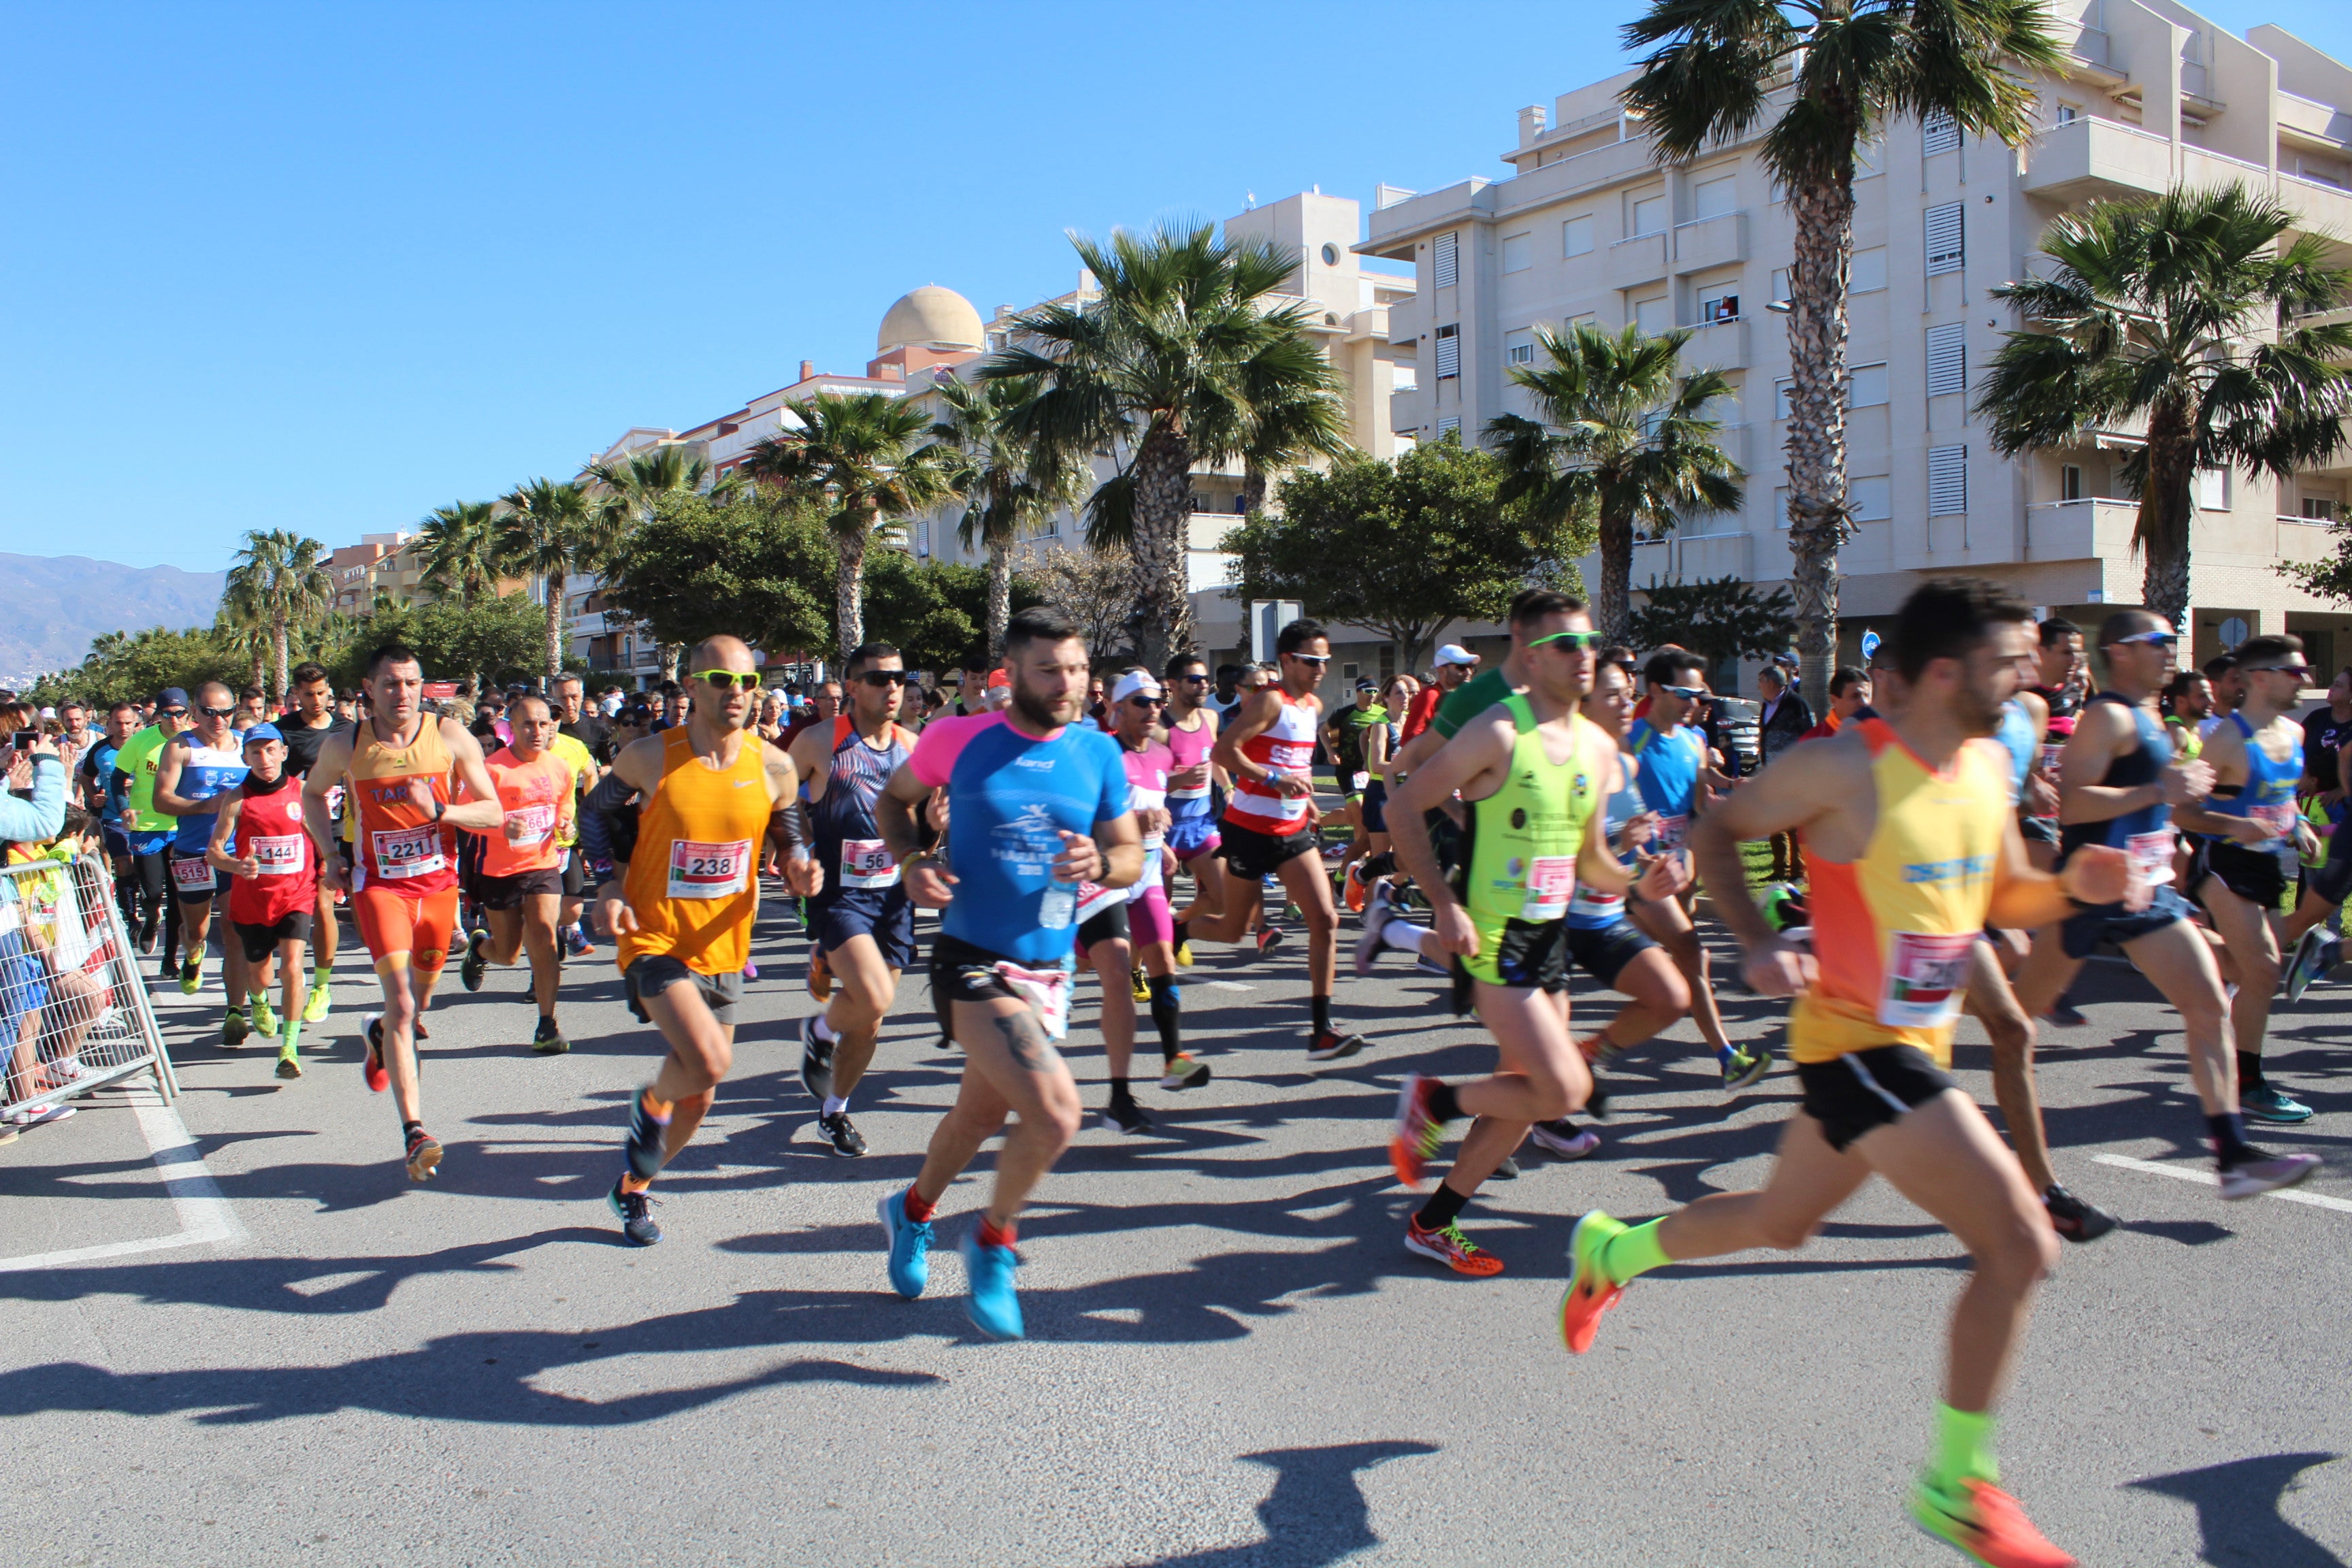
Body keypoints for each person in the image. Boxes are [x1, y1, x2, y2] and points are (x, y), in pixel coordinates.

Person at [1560, 577, 2137, 1568]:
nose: (2028, 676)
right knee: (2018, 1242)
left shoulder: (1986, 768)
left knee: (1781, 1223)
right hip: (1853, 1046)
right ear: (1948, 670)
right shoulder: (1844, 766)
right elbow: (1718, 834)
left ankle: (1614, 1249)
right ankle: (1959, 1484)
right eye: (2009, 662)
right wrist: (1749, 940)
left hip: (1916, 1043)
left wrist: (2070, 887)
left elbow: (2004, 891)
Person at [1384, 597, 1686, 1274]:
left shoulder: (1597, 749)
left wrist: (1640, 883)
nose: (1584, 658)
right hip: (1493, 936)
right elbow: (1403, 800)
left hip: (1548, 937)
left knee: (1524, 1099)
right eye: (1566, 646)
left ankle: (1433, 1223)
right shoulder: (1500, 731)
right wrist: (1440, 901)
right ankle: (1437, 1100)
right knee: (1564, 1090)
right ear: (1530, 655)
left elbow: (1589, 861)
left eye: (1590, 644)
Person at [867, 605, 1141, 1339]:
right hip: (971, 960)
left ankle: (912, 1211)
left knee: (980, 1118)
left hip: (1050, 969)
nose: (1068, 682)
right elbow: (894, 804)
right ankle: (994, 1240)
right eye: (1050, 669)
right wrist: (913, 862)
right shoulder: (958, 738)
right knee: (1055, 1114)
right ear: (1012, 672)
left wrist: (1103, 863)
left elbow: (1130, 855)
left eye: (1078, 668)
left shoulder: (1099, 754)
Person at [2010, 611, 2321, 1197]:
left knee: (2207, 1006)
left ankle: (2232, 1156)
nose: (2173, 650)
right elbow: (2075, 807)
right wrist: (2161, 791)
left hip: (2147, 894)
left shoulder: (2155, 717)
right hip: (2089, 894)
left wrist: (2186, 825)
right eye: (2160, 642)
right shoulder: (2110, 716)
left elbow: (2160, 808)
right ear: (2122, 651)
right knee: (2013, 1024)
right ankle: (1922, 1084)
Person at [582, 638, 821, 1243]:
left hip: (725, 945)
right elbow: (595, 815)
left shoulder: (773, 765)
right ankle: (649, 1105)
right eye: (720, 678)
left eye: (747, 682)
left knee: (701, 1097)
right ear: (691, 687)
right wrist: (610, 882)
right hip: (654, 936)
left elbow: (789, 833)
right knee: (709, 1060)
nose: (736, 692)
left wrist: (798, 866)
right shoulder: (650, 757)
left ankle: (632, 1189)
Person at [301, 644, 508, 1182]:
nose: (403, 693)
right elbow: (312, 796)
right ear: (369, 689)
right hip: (380, 888)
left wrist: (441, 810)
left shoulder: (449, 737)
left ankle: (379, 1036)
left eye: (412, 682)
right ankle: (415, 1130)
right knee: (399, 1003)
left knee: (416, 1007)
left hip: (439, 887)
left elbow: (491, 812)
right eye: (391, 683)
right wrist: (331, 856)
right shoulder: (346, 743)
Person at [1182, 619, 1370, 1062]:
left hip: (1291, 833)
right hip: (1248, 829)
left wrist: (1302, 797)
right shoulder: (1271, 701)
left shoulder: (1312, 706)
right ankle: (1177, 930)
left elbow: (1296, 762)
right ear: (1287, 660)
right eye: (1311, 661)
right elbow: (1224, 752)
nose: (1320, 668)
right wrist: (1272, 779)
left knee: (1326, 919)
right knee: (1232, 931)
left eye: (1324, 660)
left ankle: (1322, 1030)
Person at [2176, 634, 2319, 1124]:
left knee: (2244, 970)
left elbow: (2277, 797)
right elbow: (2184, 810)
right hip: (2224, 860)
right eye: (2296, 672)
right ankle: (2249, 1084)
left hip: (2266, 864)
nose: (2307, 680)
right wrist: (2234, 825)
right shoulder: (2228, 738)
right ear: (2262, 678)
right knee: (2263, 971)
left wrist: (2297, 824)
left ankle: (2173, 940)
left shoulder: (2294, 734)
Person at [788, 641, 921, 1158]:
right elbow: (777, 802)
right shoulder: (818, 742)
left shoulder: (914, 747)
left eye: (899, 677)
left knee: (869, 1020)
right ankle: (819, 1030)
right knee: (873, 995)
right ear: (852, 686)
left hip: (892, 895)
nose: (892, 687)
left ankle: (834, 1112)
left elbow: (921, 832)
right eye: (878, 678)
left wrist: (935, 830)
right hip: (839, 894)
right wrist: (794, 853)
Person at [1080, 669, 1201, 1131]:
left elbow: (1152, 817)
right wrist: (1138, 819)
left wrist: (1163, 844)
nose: (1153, 710)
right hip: (1103, 875)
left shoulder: (1162, 754)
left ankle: (1166, 1066)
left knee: (1161, 959)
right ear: (1119, 707)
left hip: (1146, 873)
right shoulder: (1101, 752)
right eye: (1142, 702)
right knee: (1089, 968)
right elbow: (1086, 815)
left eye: (1158, 701)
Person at [1618, 650, 1745, 1077]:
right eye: (1685, 692)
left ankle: (1589, 1045)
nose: (1695, 701)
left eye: (1698, 693)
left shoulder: (1694, 741)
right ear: (1655, 691)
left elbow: (1695, 800)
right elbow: (1604, 802)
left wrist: (1728, 791)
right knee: (1692, 953)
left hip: (1679, 867)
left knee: (1683, 964)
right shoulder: (1629, 740)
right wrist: (1635, 851)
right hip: (1637, 871)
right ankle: (1727, 1056)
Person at [455, 695, 578, 1054]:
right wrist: (501, 828)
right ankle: (480, 949)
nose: (537, 731)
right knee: (508, 953)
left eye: (543, 723)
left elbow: (565, 802)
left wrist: (566, 823)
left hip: (542, 866)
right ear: (511, 727)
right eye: (528, 724)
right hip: (499, 871)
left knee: (544, 937)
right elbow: (466, 813)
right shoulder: (492, 769)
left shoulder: (558, 766)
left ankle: (547, 1023)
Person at [205, 723, 318, 1077]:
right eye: (256, 752)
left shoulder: (304, 793)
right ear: (246, 757)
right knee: (261, 974)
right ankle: (257, 1000)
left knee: (293, 968)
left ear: (284, 753)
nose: (264, 758)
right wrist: (236, 865)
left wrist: (335, 865)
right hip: (253, 901)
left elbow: (321, 840)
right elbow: (213, 853)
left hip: (296, 895)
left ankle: (289, 1049)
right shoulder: (236, 799)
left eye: (271, 750)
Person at [152, 683, 252, 1036]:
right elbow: (161, 800)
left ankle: (234, 1010)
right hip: (193, 853)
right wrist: (207, 806)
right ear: (195, 712)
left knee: (233, 930)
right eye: (209, 712)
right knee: (197, 929)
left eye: (225, 712)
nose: (218, 719)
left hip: (234, 854)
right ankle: (192, 951)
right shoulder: (180, 747)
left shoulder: (245, 745)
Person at [275, 662, 353, 1024]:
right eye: (309, 694)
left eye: (322, 692)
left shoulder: (348, 730)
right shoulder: (284, 732)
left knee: (324, 906)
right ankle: (293, 970)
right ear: (297, 695)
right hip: (296, 829)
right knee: (294, 911)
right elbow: (277, 782)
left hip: (335, 829)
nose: (317, 700)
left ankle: (322, 986)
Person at [111, 690, 186, 962]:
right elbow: (117, 779)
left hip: (183, 827)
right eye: (168, 714)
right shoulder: (141, 741)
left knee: (179, 895)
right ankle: (152, 918)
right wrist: (124, 807)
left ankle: (170, 959)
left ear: (188, 713)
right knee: (154, 892)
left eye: (180, 713)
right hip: (147, 826)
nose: (175, 720)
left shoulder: (195, 741)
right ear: (159, 716)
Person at [1161, 653, 1226, 960]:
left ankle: (1179, 925)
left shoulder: (1210, 718)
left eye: (1205, 679)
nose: (1203, 685)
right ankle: (1141, 969)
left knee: (1222, 898)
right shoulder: (1158, 727)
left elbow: (1213, 762)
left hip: (1201, 823)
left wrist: (1228, 788)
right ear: (1173, 685)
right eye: (1194, 680)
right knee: (1157, 908)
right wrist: (1182, 779)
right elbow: (1142, 787)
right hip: (1163, 828)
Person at [1755, 664, 1814, 881]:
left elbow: (1810, 733)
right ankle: (1779, 869)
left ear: (1771, 682)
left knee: (1793, 824)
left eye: (1761, 680)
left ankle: (1798, 872)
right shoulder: (1766, 705)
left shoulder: (1796, 703)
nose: (1758, 685)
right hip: (1772, 773)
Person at [1403, 644, 1476, 742]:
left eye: (1471, 667)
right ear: (1442, 670)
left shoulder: (1464, 696)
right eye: (1461, 667)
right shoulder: (1431, 694)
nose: (1468, 673)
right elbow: (1409, 739)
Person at [1796, 666, 1871, 742]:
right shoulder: (1814, 740)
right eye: (1855, 696)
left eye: (1866, 695)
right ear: (1834, 700)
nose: (1864, 703)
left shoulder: (1877, 734)